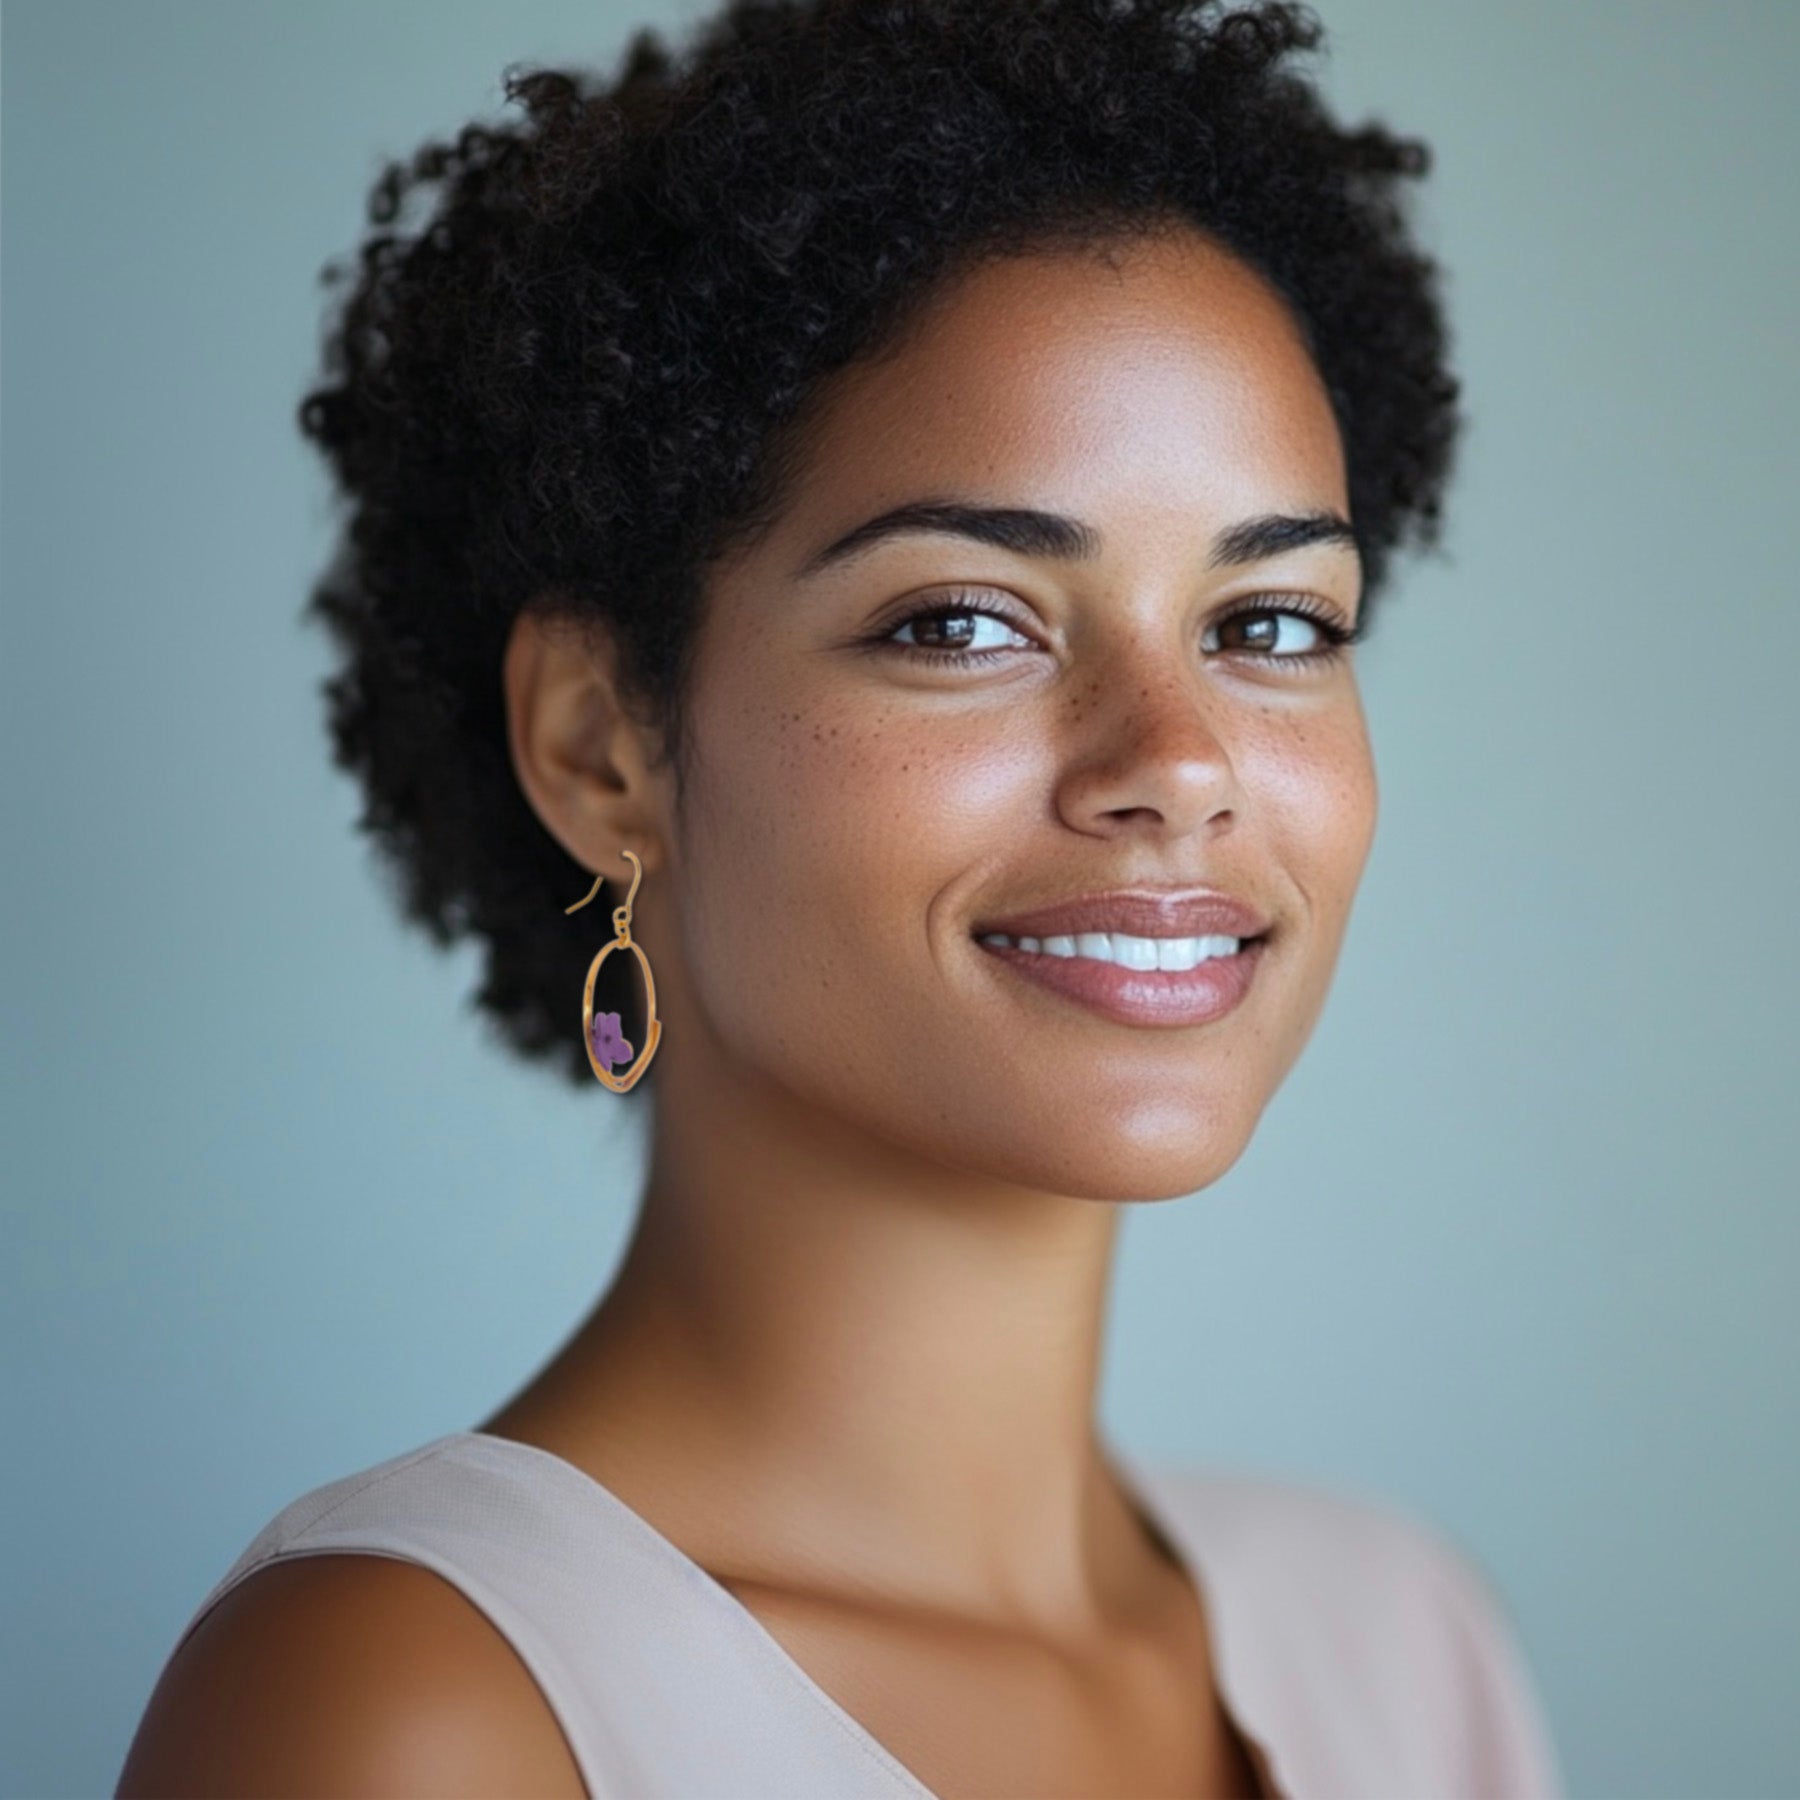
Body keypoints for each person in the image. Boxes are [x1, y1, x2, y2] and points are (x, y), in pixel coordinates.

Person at [118, 1, 1564, 1793]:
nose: (1180, 758)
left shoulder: (1405, 1647)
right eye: (960, 621)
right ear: (601, 748)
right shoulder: (417, 1709)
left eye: (1271, 625)